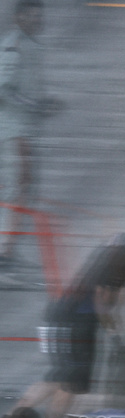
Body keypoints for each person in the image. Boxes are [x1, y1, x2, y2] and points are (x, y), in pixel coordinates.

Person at [17, 212, 125, 418]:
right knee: (71, 384)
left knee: (60, 378)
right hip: (76, 320)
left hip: (65, 316)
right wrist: (113, 329)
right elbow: (102, 296)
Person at [0, 0, 56, 264]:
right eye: (32, 16)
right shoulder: (14, 46)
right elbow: (3, 89)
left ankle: (8, 248)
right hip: (14, 129)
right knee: (18, 187)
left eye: (39, 17)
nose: (37, 21)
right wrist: (36, 105)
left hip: (25, 129)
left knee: (23, 188)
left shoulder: (33, 45)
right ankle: (5, 249)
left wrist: (44, 105)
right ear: (19, 18)